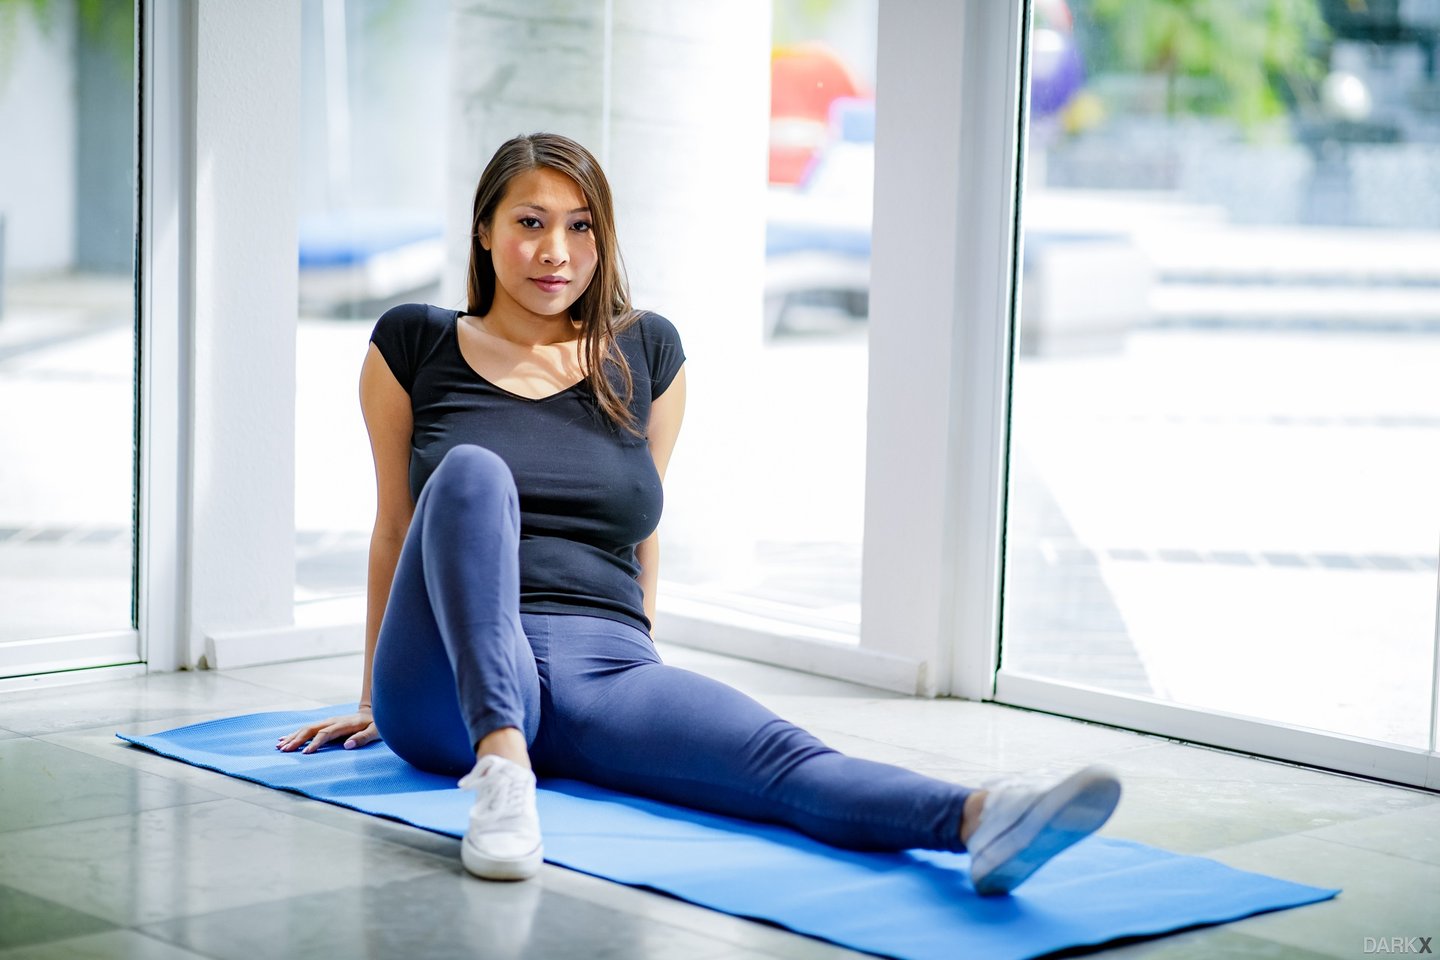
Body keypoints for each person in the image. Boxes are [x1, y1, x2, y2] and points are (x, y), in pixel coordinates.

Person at [277, 132, 1120, 894]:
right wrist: (374, 696)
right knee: (471, 474)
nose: (556, 251)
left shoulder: (646, 351)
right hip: (447, 675)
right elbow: (396, 530)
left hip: (605, 665)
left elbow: (643, 529)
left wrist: (640, 664)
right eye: (530, 222)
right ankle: (502, 773)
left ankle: (981, 818)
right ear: (484, 232)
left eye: (580, 226)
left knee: (781, 759)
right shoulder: (414, 343)